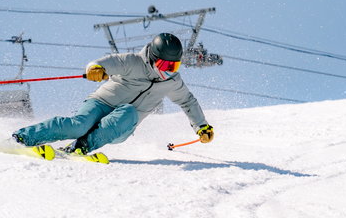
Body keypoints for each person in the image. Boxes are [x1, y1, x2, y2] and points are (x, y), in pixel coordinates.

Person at [12, 33, 214, 156]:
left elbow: (188, 102)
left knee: (128, 112)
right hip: (101, 102)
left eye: (174, 65)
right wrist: (96, 68)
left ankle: (80, 147)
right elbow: (105, 62)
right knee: (78, 126)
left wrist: (201, 126)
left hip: (123, 122)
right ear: (153, 58)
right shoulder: (132, 61)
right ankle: (22, 138)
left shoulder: (172, 81)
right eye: (164, 65)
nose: (168, 70)